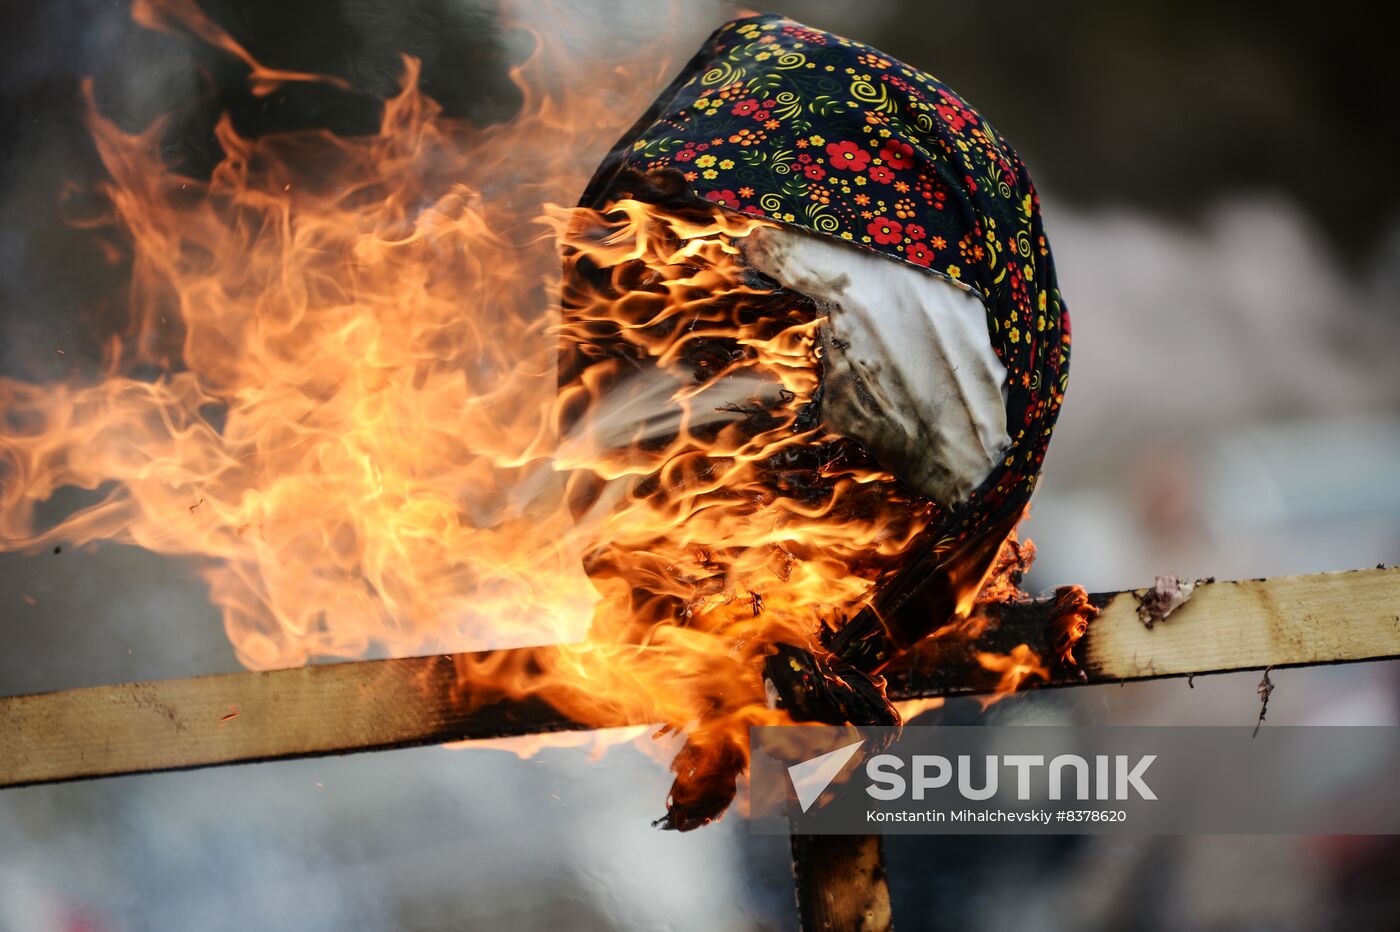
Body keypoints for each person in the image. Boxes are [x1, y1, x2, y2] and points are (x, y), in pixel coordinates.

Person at [559, 12, 1071, 828]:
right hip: (861, 220)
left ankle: (783, 703)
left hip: (771, 192)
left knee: (669, 484)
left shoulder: (914, 491)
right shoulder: (932, 491)